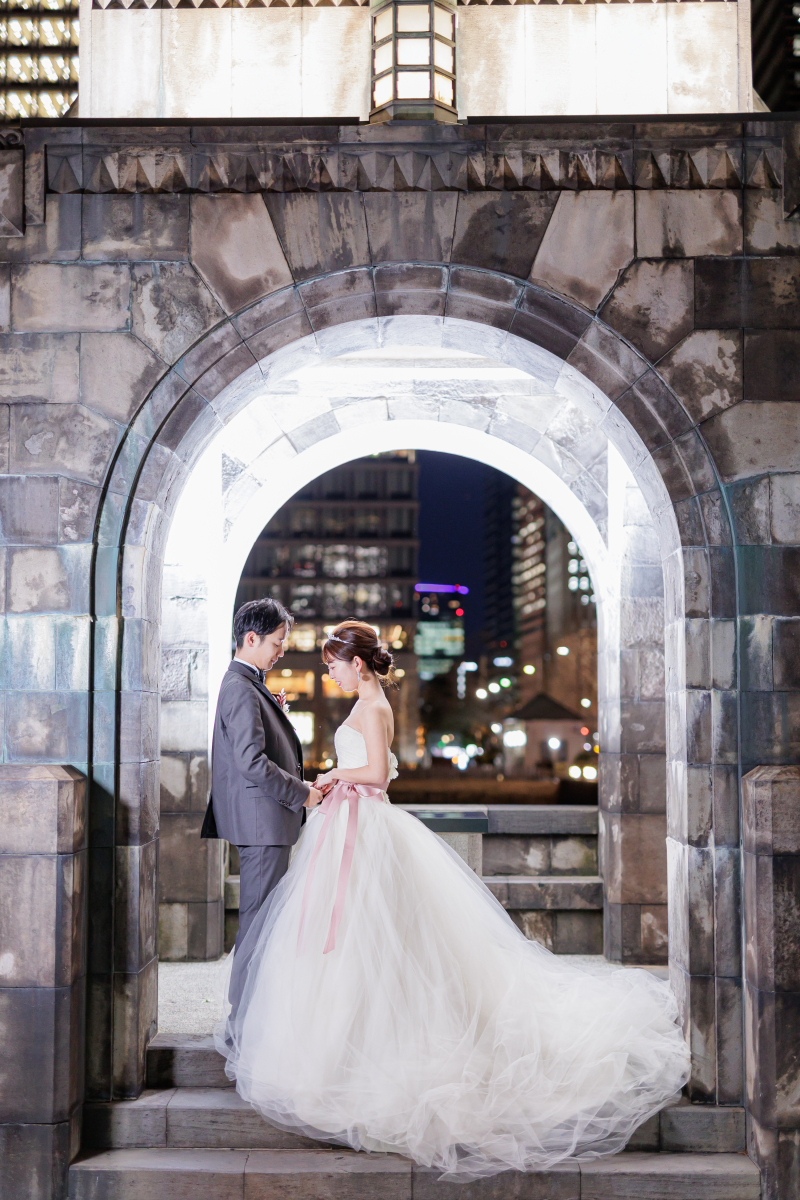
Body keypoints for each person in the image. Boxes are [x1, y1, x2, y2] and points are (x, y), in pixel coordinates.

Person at [214, 619, 690, 1180]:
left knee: (376, 935)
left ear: (357, 663)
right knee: (350, 940)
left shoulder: (374, 708)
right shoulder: (364, 703)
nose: (330, 674)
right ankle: (342, 1039)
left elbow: (378, 774)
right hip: (345, 826)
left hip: (363, 827)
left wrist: (336, 772)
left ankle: (370, 1046)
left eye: (334, 665)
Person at [201, 598, 322, 1007]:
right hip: (262, 825)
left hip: (264, 822)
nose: (282, 650)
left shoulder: (247, 683)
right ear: (251, 638)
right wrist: (302, 793)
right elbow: (251, 762)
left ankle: (250, 1019)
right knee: (258, 926)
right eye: (277, 642)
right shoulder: (240, 687)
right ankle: (242, 1025)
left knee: (263, 923)